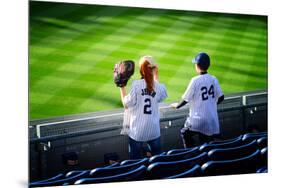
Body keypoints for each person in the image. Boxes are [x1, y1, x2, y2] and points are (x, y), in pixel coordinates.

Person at [171, 52, 224, 148]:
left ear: (197, 66)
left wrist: (177, 106)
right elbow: (221, 97)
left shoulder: (195, 80)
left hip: (198, 120)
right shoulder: (213, 79)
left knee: (184, 132)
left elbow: (186, 99)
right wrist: (210, 104)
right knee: (206, 143)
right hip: (212, 120)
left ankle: (191, 152)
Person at [119, 56, 168, 159]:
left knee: (134, 162)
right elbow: (161, 97)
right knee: (158, 160)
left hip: (137, 131)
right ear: (154, 69)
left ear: (141, 70)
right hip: (154, 130)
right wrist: (156, 75)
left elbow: (126, 104)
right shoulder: (159, 87)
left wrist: (122, 86)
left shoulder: (136, 85)